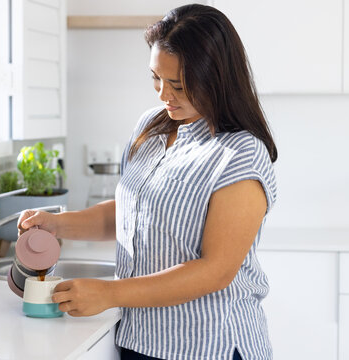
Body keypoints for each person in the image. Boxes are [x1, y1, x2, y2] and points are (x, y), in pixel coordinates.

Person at [17, 4, 277, 360]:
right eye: (156, 78)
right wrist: (58, 224)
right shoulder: (151, 127)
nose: (163, 95)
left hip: (207, 345)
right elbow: (127, 215)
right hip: (138, 340)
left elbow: (214, 271)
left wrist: (109, 293)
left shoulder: (240, 154)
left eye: (179, 86)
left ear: (217, 80)